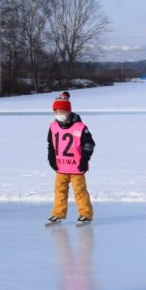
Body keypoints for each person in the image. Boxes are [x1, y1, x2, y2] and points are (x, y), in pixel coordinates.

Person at [46, 91, 95, 226]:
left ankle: (85, 214)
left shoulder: (80, 127)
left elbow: (89, 144)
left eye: (61, 110)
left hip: (76, 167)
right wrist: (51, 158)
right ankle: (58, 213)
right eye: (56, 111)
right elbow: (51, 144)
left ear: (68, 111)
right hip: (61, 166)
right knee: (59, 191)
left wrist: (84, 160)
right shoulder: (53, 126)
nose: (58, 114)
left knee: (79, 191)